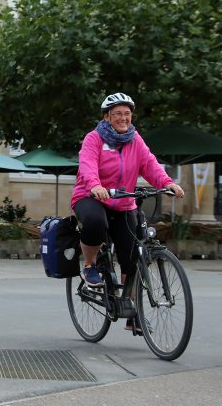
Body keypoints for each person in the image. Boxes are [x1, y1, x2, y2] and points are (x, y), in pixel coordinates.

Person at [70, 93, 184, 331]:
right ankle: (90, 265)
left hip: (123, 201)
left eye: (127, 114)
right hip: (91, 196)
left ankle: (131, 310)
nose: (123, 118)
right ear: (107, 117)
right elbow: (87, 165)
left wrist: (167, 182)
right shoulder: (94, 139)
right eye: (117, 114)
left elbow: (150, 164)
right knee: (94, 223)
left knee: (131, 256)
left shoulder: (136, 140)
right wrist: (95, 185)